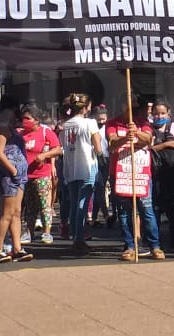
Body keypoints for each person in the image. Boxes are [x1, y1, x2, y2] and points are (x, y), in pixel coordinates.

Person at [106, 99, 165, 261]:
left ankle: (155, 246)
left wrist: (136, 133)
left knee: (146, 209)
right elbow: (112, 142)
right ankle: (130, 246)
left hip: (141, 172)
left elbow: (148, 139)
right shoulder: (112, 123)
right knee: (124, 212)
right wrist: (126, 138)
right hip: (120, 172)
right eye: (128, 106)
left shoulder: (143, 122)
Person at [0, 97, 32, 263]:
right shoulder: (2, 129)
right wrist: (13, 169)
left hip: (19, 175)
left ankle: (17, 247)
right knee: (7, 213)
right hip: (9, 175)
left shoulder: (12, 128)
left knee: (16, 212)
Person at [60, 93, 103, 253]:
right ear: (86, 108)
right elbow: (98, 147)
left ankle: (75, 236)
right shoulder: (90, 123)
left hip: (70, 166)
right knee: (82, 203)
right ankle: (79, 238)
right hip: (86, 164)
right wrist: (98, 152)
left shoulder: (66, 124)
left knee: (74, 202)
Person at [20, 104, 62, 245]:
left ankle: (47, 232)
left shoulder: (46, 132)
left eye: (28, 118)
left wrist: (44, 155)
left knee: (45, 204)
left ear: (36, 120)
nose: (25, 121)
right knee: (30, 206)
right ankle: (29, 232)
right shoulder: (21, 134)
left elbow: (57, 149)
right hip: (26, 175)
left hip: (42, 174)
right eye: (23, 118)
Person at [148, 100, 174, 251]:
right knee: (155, 207)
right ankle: (155, 241)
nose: (159, 116)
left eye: (163, 113)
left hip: (172, 172)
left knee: (173, 207)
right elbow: (148, 148)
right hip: (156, 173)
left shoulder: (173, 126)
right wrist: (165, 145)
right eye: (156, 114)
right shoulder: (149, 129)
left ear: (168, 113)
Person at [91, 104, 111, 226]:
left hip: (107, 158)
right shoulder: (91, 127)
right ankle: (106, 214)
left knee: (101, 188)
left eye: (104, 119)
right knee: (99, 187)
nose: (101, 122)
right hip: (95, 158)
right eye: (99, 119)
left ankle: (94, 217)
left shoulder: (107, 128)